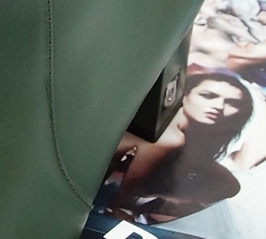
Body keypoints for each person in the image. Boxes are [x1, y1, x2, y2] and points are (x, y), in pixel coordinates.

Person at [105, 71, 253, 223]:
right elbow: (122, 199)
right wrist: (121, 209)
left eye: (232, 103)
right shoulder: (170, 138)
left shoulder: (189, 134)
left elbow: (227, 184)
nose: (219, 106)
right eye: (208, 96)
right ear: (185, 94)